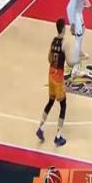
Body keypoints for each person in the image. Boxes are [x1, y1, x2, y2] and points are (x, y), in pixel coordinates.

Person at [36, 18, 70, 146]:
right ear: (63, 29)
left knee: (50, 102)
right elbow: (69, 62)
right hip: (58, 78)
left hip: (50, 74)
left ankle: (40, 127)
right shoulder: (64, 43)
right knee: (63, 105)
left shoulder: (53, 41)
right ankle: (58, 136)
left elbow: (49, 58)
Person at [66, 0, 92, 76]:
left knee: (83, 30)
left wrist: (89, 5)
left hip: (79, 13)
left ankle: (80, 52)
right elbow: (70, 6)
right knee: (78, 39)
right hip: (75, 15)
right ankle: (75, 69)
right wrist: (72, 23)